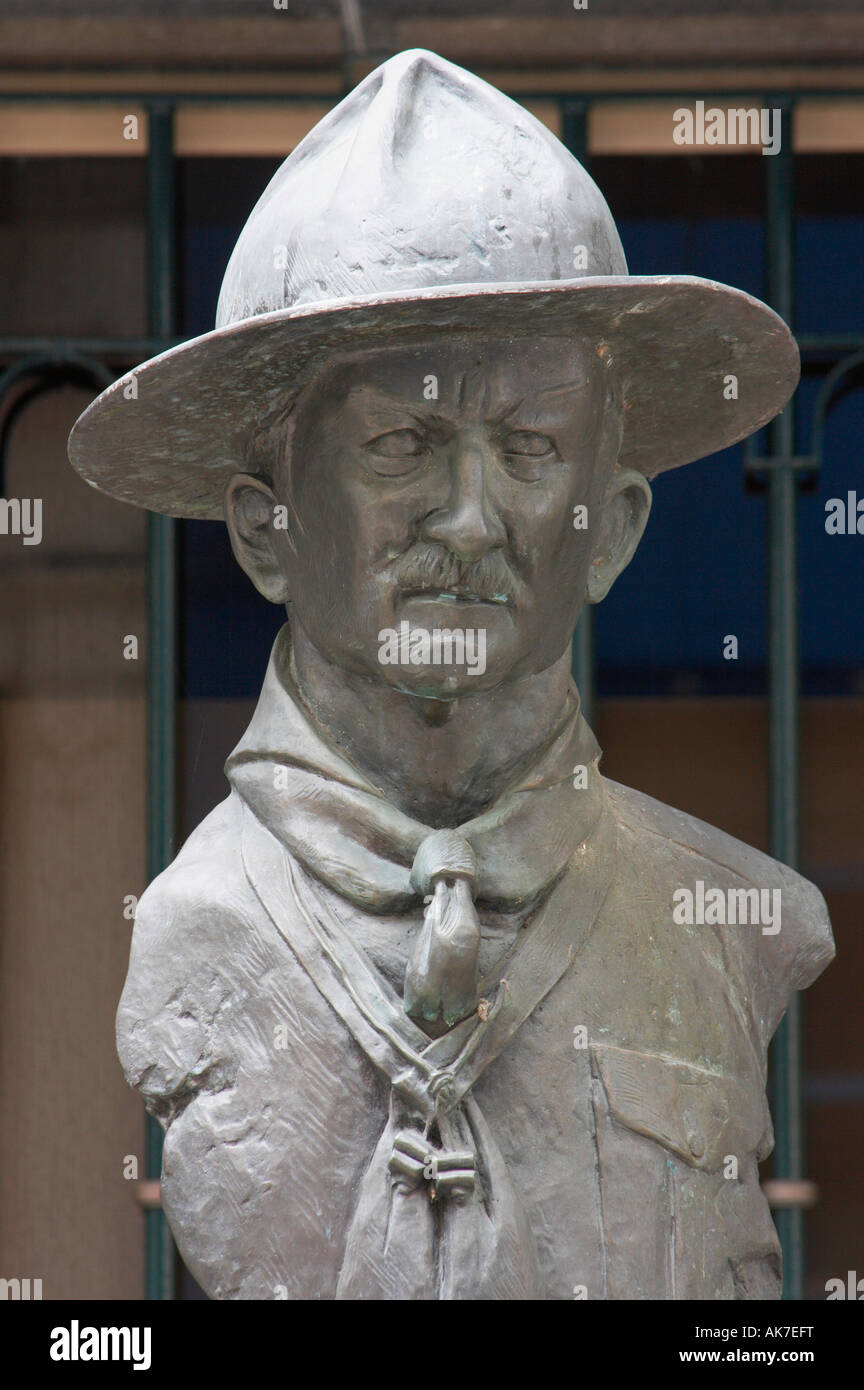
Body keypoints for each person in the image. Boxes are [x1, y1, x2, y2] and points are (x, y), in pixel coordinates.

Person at [69, 49, 833, 1300]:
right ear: (265, 531)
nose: (471, 519)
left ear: (617, 527)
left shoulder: (738, 921)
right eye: (400, 443)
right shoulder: (192, 930)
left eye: (531, 446)